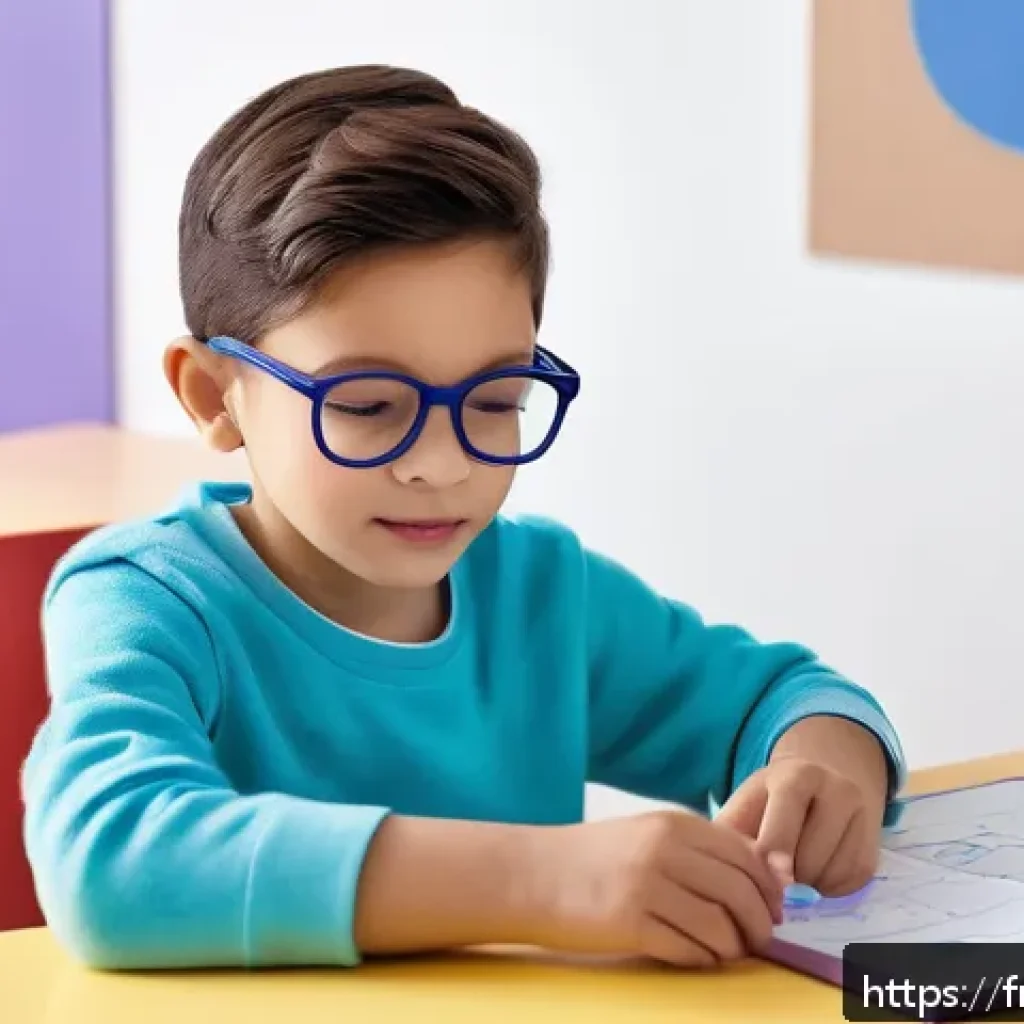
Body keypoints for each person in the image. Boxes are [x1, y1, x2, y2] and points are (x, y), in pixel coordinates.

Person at [22, 65, 905, 973]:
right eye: (367, 404)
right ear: (215, 394)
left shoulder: (544, 597)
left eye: (495, 397)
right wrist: (539, 882)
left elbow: (781, 696)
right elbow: (109, 856)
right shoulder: (149, 601)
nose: (440, 464)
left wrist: (826, 772)